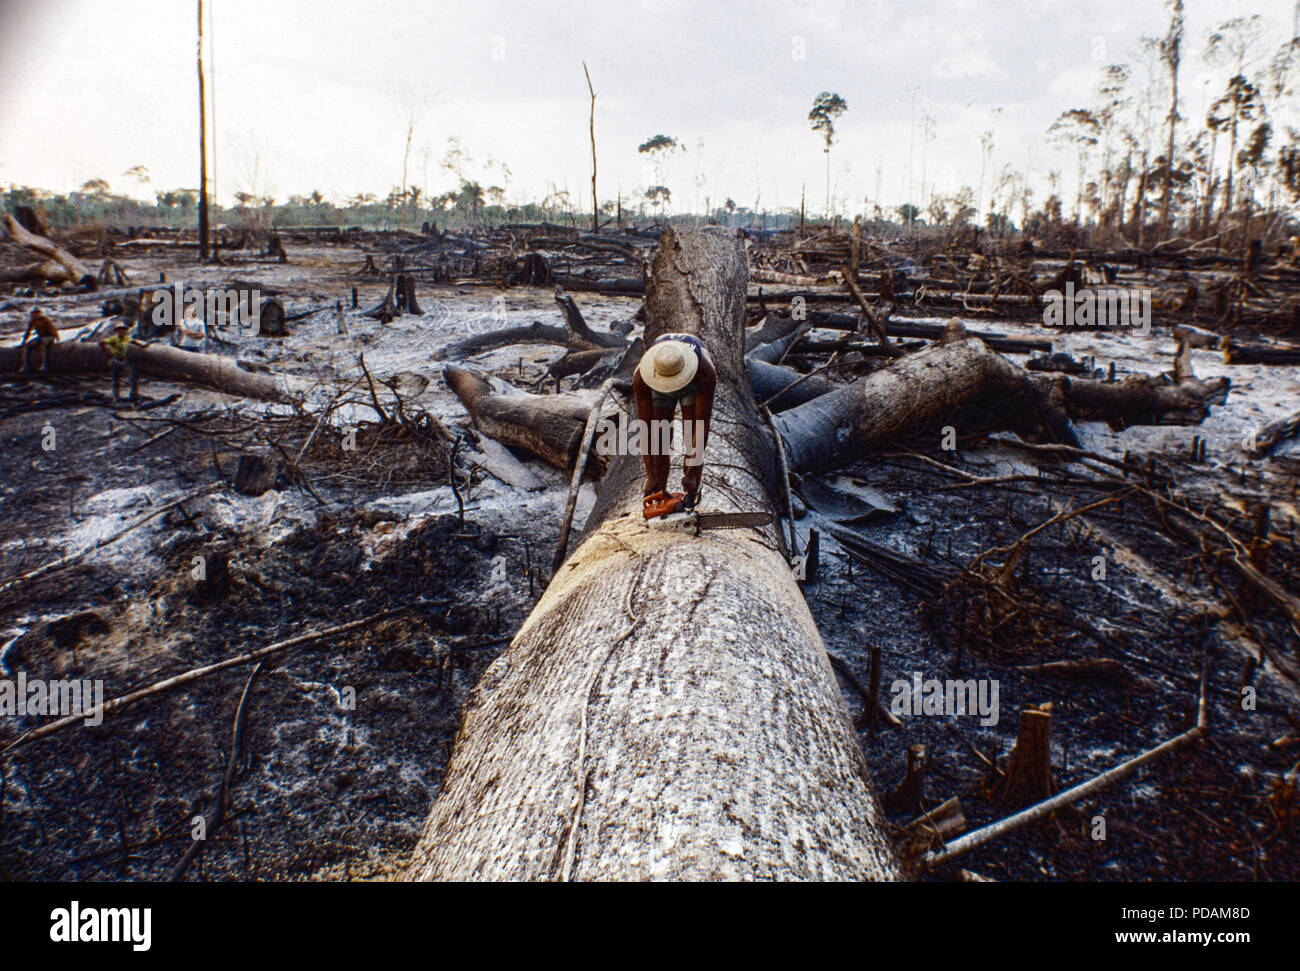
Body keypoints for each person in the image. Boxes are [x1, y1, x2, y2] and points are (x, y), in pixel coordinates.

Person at [631, 332, 716, 519]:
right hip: (658, 383)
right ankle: (659, 497)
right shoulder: (641, 377)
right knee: (660, 439)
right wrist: (651, 475)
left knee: (690, 433)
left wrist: (692, 473)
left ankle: (690, 497)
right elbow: (646, 430)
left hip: (692, 383)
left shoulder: (705, 371)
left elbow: (700, 429)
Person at [99, 322, 143, 403]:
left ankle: (134, 394)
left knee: (134, 375)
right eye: (120, 330)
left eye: (123, 330)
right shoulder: (114, 339)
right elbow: (101, 343)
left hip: (124, 360)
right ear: (117, 331)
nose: (122, 331)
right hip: (115, 360)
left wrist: (142, 346)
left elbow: (133, 342)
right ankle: (116, 397)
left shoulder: (127, 338)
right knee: (116, 379)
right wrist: (107, 353)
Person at [19, 307, 59, 372]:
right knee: (28, 346)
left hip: (49, 336)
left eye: (37, 313)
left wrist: (56, 338)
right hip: (41, 337)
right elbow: (28, 331)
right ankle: (26, 366)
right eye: (34, 313)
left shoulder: (45, 320)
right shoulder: (32, 321)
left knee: (43, 346)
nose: (35, 315)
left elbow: (53, 330)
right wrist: (24, 341)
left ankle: (44, 365)